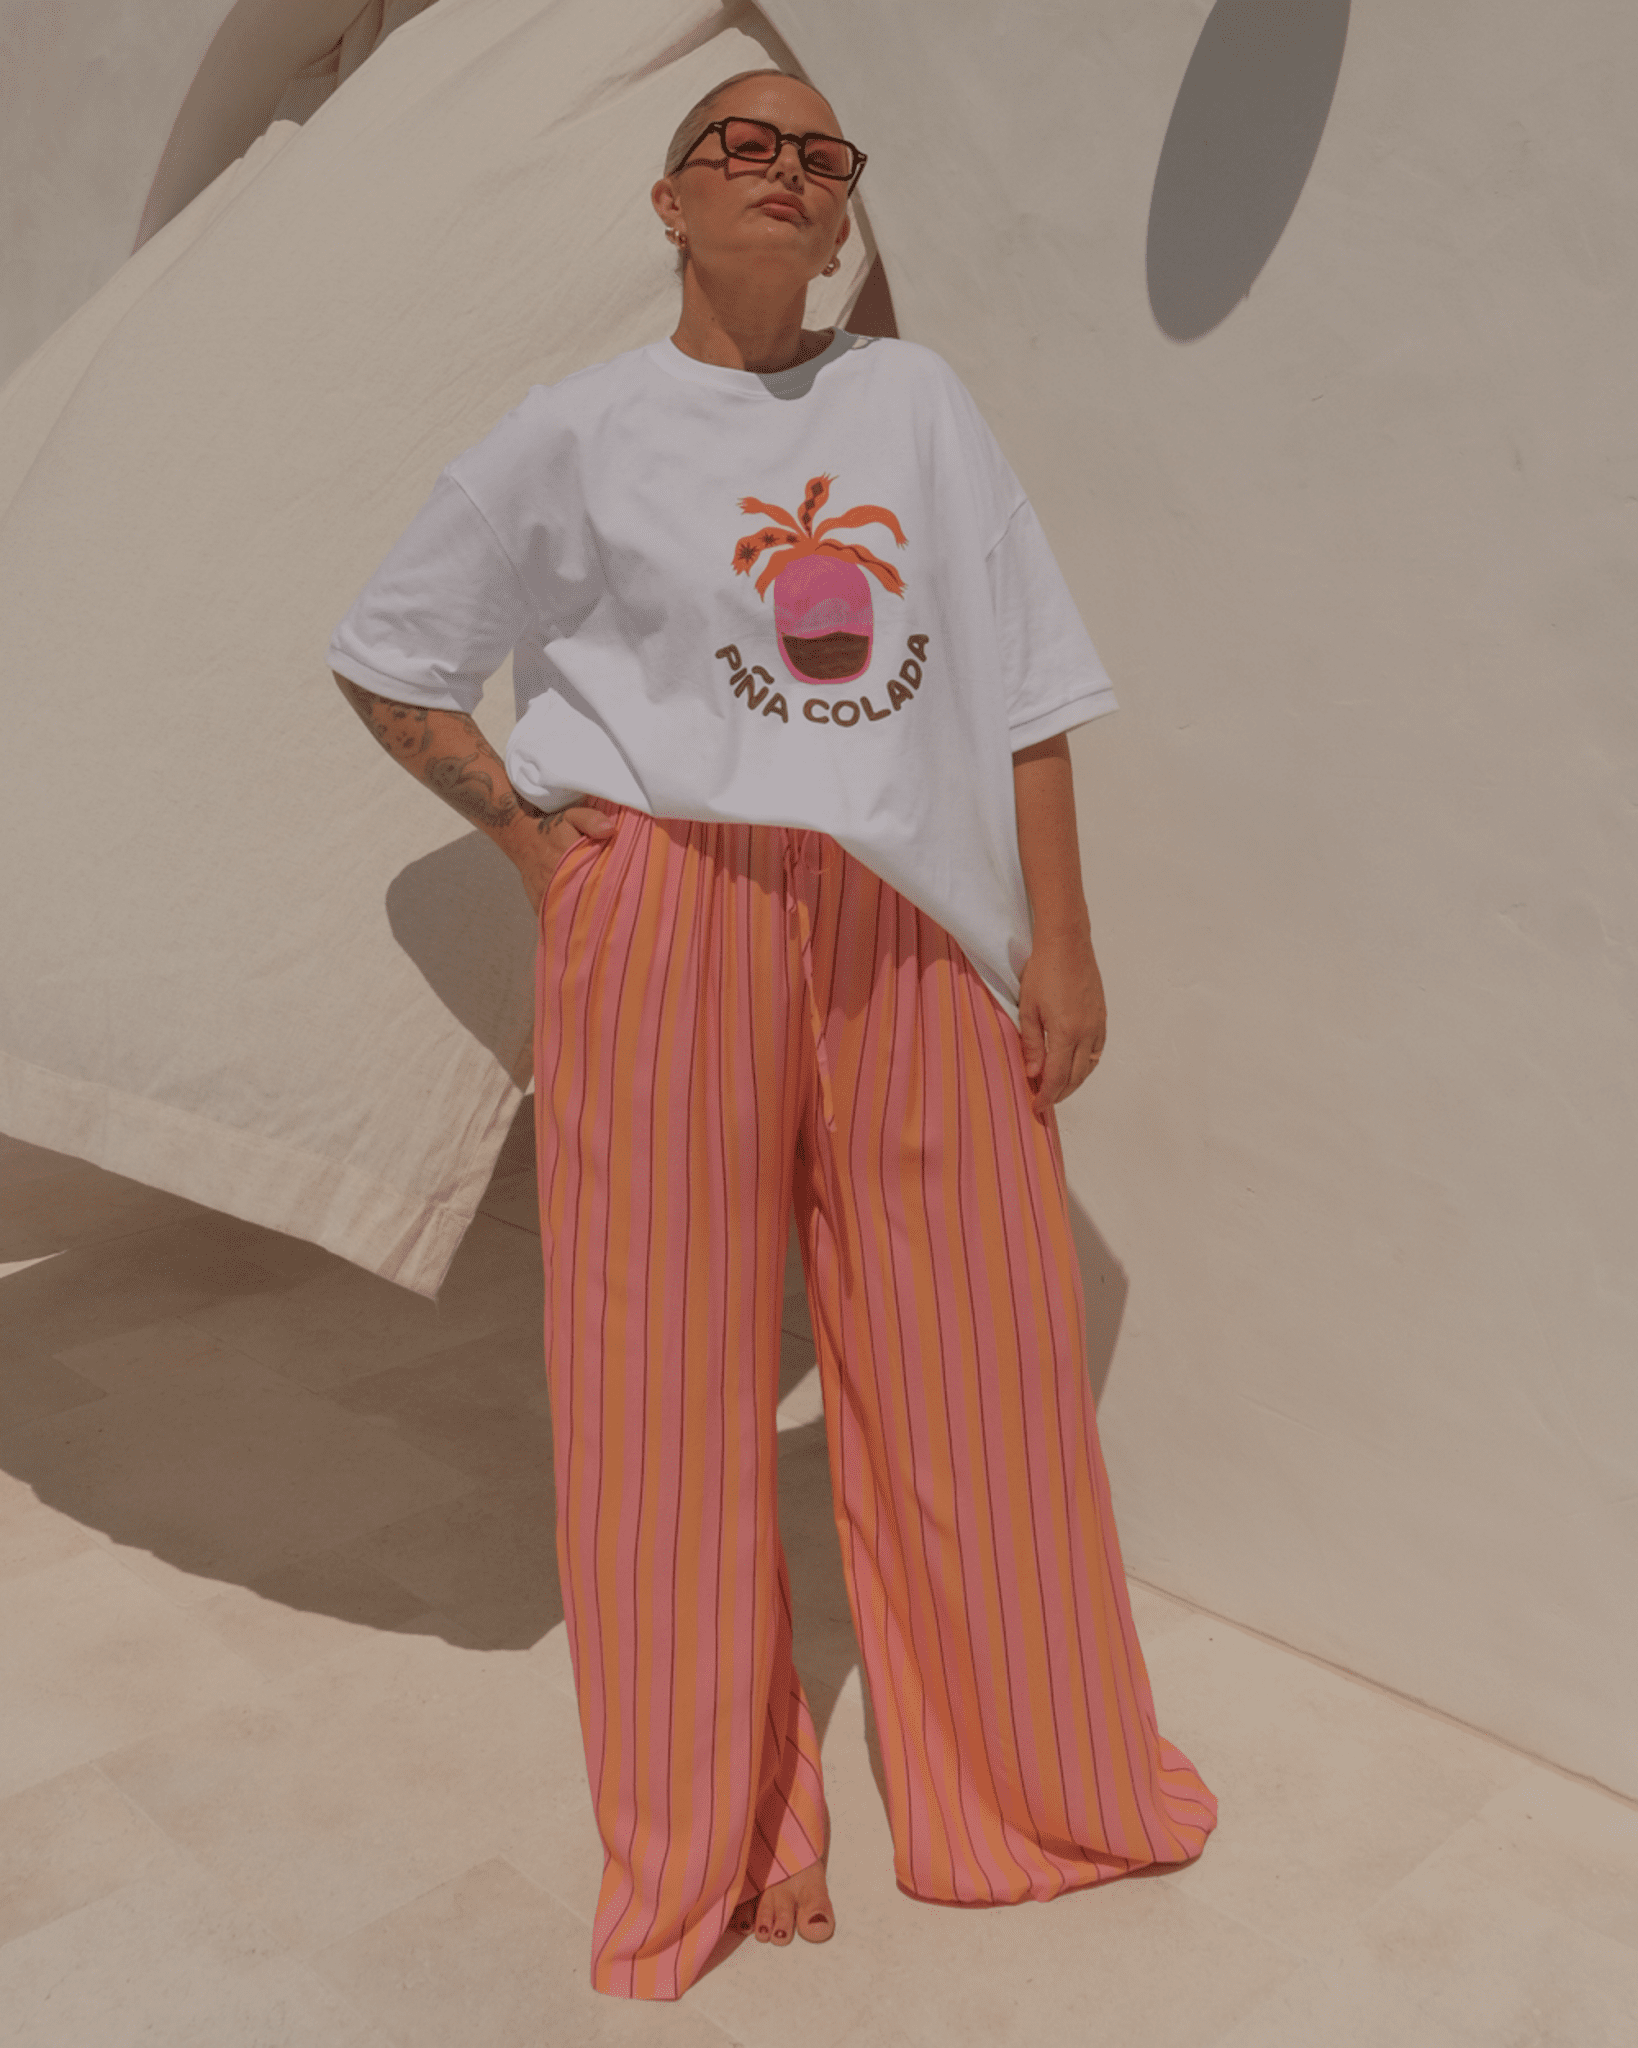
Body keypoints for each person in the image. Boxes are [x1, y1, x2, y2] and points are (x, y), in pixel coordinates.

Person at [328, 66, 1217, 2002]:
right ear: (668, 201)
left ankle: (1034, 1789)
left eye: (822, 156)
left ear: (841, 218)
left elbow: (1026, 686)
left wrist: (1060, 939)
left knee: (980, 1369)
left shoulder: (916, 403)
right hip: (665, 911)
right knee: (661, 1399)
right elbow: (388, 655)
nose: (788, 171)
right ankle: (721, 1836)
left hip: (913, 924)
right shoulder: (576, 429)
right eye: (744, 142)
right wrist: (540, 851)